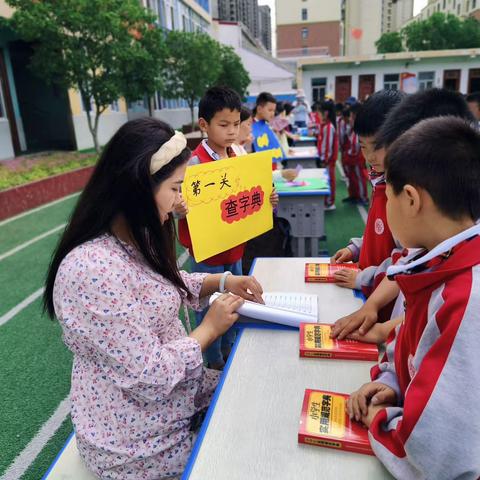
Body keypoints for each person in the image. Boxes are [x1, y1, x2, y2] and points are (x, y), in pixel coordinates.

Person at [43, 117, 266, 479]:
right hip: (134, 442)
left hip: (172, 403)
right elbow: (149, 375)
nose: (182, 202)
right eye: (176, 188)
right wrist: (207, 331)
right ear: (138, 189)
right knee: (247, 446)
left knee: (254, 391)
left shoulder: (134, 234)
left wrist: (222, 280)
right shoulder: (90, 269)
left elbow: (162, 284)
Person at [347, 116, 480, 479]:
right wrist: (391, 383)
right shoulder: (441, 263)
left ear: (409, 199)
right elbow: (415, 347)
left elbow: (436, 453)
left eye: (386, 193)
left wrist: (380, 419)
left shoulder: (465, 297)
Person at [332, 88, 476, 340]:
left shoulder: (461, 293)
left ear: (411, 199)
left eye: (390, 196)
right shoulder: (434, 250)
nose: (368, 157)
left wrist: (381, 331)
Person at [178, 87, 279, 370]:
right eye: (223, 125)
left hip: (235, 247)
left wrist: (267, 198)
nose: (232, 131)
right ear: (203, 125)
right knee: (210, 308)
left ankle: (230, 349)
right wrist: (179, 208)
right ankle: (212, 363)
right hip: (208, 255)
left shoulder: (238, 155)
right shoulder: (194, 164)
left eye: (236, 124)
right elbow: (176, 204)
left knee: (237, 302)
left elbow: (251, 196)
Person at [331, 90, 405, 304]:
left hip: (386, 301)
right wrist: (356, 248)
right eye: (363, 147)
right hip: (370, 293)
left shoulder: (404, 192)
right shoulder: (380, 179)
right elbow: (378, 231)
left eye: (378, 147)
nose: (370, 157)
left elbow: (406, 258)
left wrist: (363, 277)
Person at [341, 103, 368, 205]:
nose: (350, 118)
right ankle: (353, 195)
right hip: (350, 156)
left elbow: (357, 144)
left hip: (357, 158)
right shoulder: (352, 128)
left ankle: (363, 197)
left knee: (359, 178)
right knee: (351, 177)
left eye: (352, 116)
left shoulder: (361, 128)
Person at [251, 91, 283, 170]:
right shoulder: (249, 127)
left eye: (273, 110)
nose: (272, 114)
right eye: (270, 110)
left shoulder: (267, 126)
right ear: (259, 109)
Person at [317, 101, 338, 210]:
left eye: (319, 112)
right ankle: (327, 201)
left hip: (328, 161)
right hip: (325, 160)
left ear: (325, 113)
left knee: (329, 180)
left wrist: (323, 160)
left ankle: (329, 203)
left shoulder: (329, 127)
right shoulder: (325, 125)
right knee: (326, 180)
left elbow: (328, 147)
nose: (318, 115)